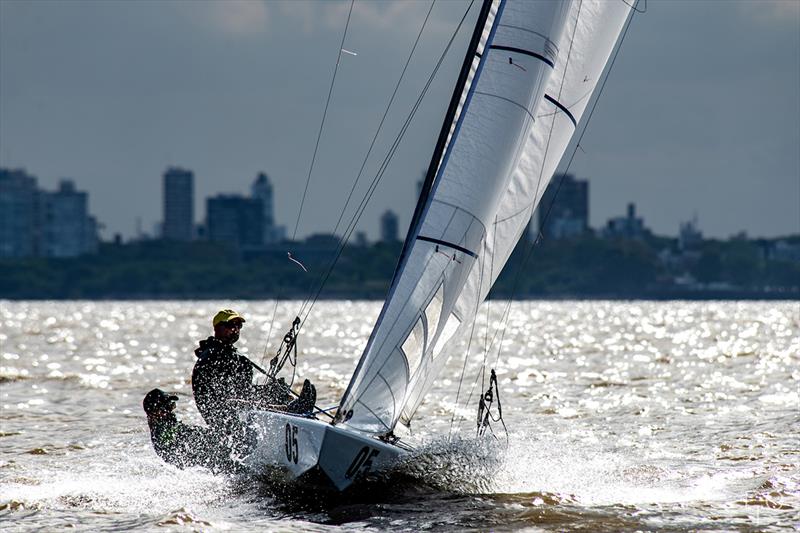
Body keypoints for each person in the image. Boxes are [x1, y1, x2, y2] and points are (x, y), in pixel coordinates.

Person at [191, 309, 316, 434]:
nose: (235, 329)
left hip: (231, 408)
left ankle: (294, 409)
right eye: (230, 325)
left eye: (238, 325)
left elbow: (242, 390)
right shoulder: (212, 356)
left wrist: (271, 391)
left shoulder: (225, 353)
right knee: (237, 402)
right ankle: (291, 410)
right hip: (221, 416)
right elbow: (230, 396)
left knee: (275, 393)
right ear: (217, 328)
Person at [142, 388, 239, 473]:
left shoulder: (163, 425)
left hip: (197, 459)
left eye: (172, 405)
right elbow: (182, 437)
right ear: (155, 412)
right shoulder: (161, 430)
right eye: (167, 407)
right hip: (198, 462)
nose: (171, 409)